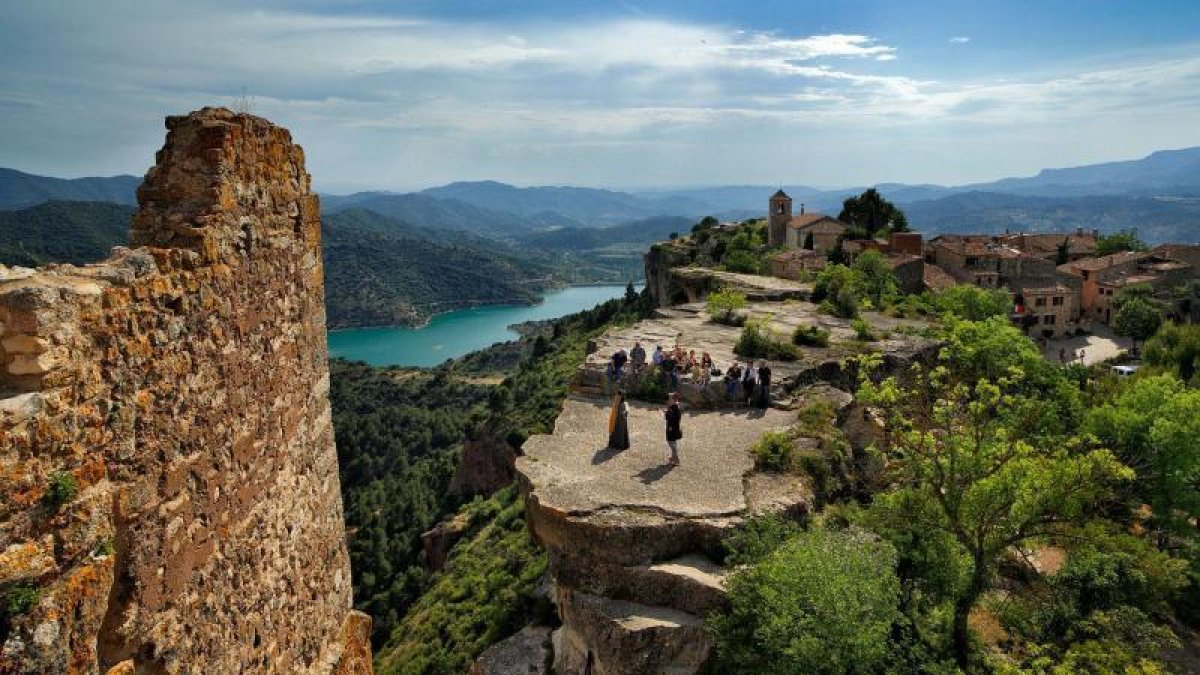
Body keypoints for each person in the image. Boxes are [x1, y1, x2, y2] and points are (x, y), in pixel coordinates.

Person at [664, 392, 683, 466]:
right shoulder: (674, 407)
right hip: (674, 427)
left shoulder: (673, 408)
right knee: (673, 442)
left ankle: (676, 458)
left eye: (669, 399)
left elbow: (671, 418)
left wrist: (667, 413)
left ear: (673, 400)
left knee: (671, 443)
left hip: (672, 428)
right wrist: (667, 412)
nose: (668, 400)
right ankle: (673, 457)